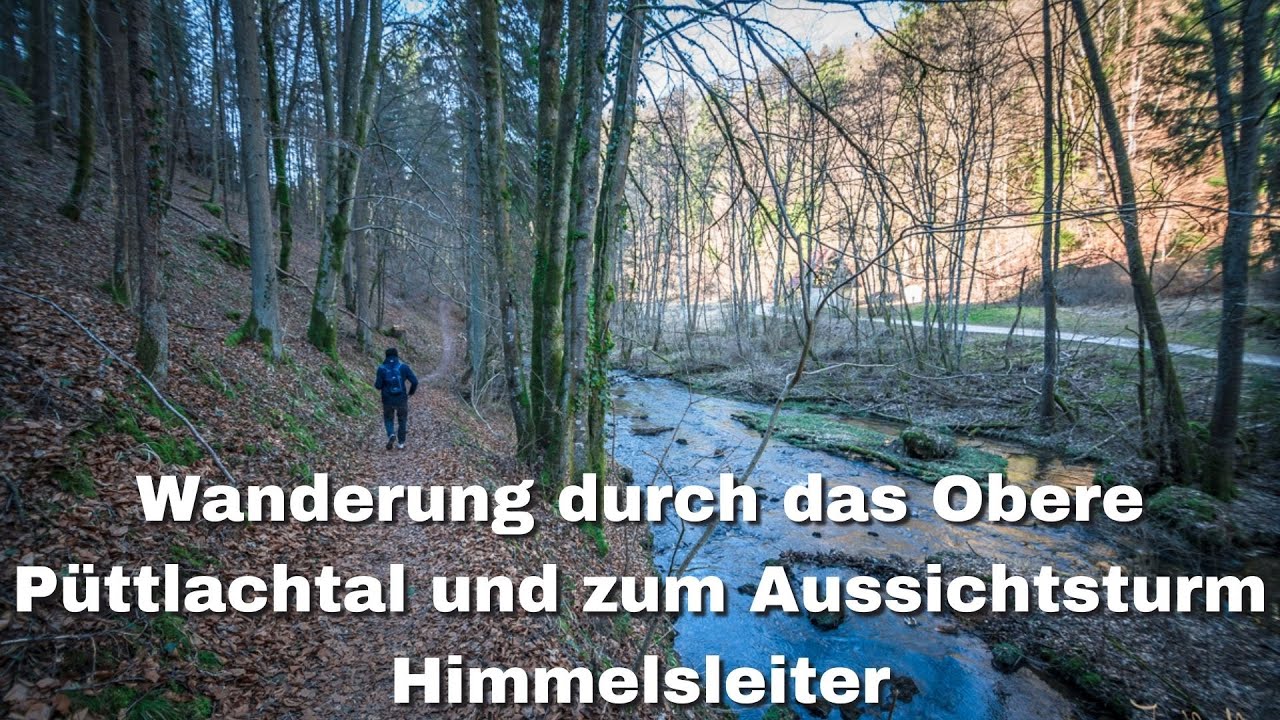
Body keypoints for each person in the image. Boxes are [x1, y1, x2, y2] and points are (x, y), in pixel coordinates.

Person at [374, 348, 418, 450]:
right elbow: (415, 381)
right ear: (397, 356)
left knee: (388, 419)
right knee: (402, 420)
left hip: (387, 400)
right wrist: (410, 392)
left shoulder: (381, 368)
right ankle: (401, 443)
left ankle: (391, 434)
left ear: (386, 356)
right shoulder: (403, 367)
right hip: (401, 399)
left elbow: (378, 386)